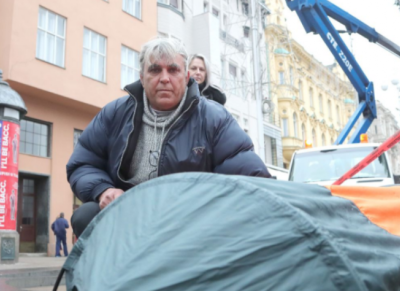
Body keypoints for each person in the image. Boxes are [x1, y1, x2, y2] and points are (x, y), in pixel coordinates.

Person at [67, 38, 270, 238]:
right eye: (155, 70)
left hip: (189, 222)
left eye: (173, 70)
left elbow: (250, 174)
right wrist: (104, 190)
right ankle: (107, 270)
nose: (164, 78)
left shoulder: (213, 118)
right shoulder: (115, 113)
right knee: (85, 215)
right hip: (127, 216)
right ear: (141, 76)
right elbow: (83, 163)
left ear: (186, 76)